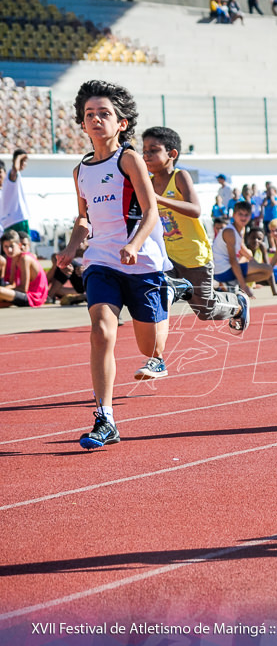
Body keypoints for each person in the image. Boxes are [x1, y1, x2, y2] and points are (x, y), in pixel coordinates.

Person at [54, 80, 191, 451]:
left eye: (104, 114)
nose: (96, 120)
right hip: (101, 261)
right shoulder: (80, 170)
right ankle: (105, 418)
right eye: (89, 115)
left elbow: (150, 212)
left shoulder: (127, 160)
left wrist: (133, 244)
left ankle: (169, 295)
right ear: (82, 124)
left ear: (121, 123)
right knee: (101, 330)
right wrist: (70, 250)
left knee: (148, 349)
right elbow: (84, 220)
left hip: (141, 260)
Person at [142, 126, 249, 333]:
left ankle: (237, 305)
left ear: (172, 154)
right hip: (168, 257)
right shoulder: (148, 182)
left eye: (153, 150)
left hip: (194, 256)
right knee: (158, 295)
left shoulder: (180, 177)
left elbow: (195, 209)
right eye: (144, 150)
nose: (146, 155)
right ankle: (156, 345)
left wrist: (160, 199)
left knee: (205, 310)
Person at [212, 200, 277, 296]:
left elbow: (241, 247)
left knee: (267, 272)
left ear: (250, 216)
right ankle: (231, 283)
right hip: (222, 271)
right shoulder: (230, 232)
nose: (243, 217)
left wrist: (252, 260)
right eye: (240, 214)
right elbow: (233, 260)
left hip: (226, 269)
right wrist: (244, 286)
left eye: (246, 215)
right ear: (234, 215)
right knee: (267, 269)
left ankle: (231, 283)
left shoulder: (241, 229)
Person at [0, 228, 48, 308]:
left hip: (33, 298)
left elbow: (24, 289)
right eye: (6, 246)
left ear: (19, 245)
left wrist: (4, 290)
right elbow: (12, 284)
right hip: (23, 294)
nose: (9, 250)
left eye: (12, 246)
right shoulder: (14, 258)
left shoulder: (24, 258)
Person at [1, 149, 30, 236]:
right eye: (21, 161)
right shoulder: (10, 177)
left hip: (9, 222)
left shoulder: (13, 179)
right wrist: (18, 157)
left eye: (25, 161)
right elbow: (15, 170)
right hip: (17, 220)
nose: (23, 164)